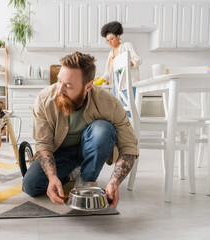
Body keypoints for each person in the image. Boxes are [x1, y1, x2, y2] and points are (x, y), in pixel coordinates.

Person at [22, 51, 139, 209]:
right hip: (60, 152)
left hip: (90, 147)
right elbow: (43, 144)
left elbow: (129, 147)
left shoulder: (109, 103)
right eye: (59, 81)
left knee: (103, 130)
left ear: (88, 86)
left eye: (68, 86)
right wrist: (52, 177)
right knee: (31, 186)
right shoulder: (44, 100)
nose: (60, 90)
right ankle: (72, 173)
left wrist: (114, 182)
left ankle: (86, 177)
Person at [100, 21, 142, 98]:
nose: (109, 42)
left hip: (128, 84)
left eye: (111, 39)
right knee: (118, 108)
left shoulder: (127, 46)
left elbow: (138, 59)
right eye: (107, 40)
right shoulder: (110, 54)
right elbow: (108, 72)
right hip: (117, 85)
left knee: (128, 109)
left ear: (118, 36)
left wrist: (129, 63)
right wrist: (100, 80)